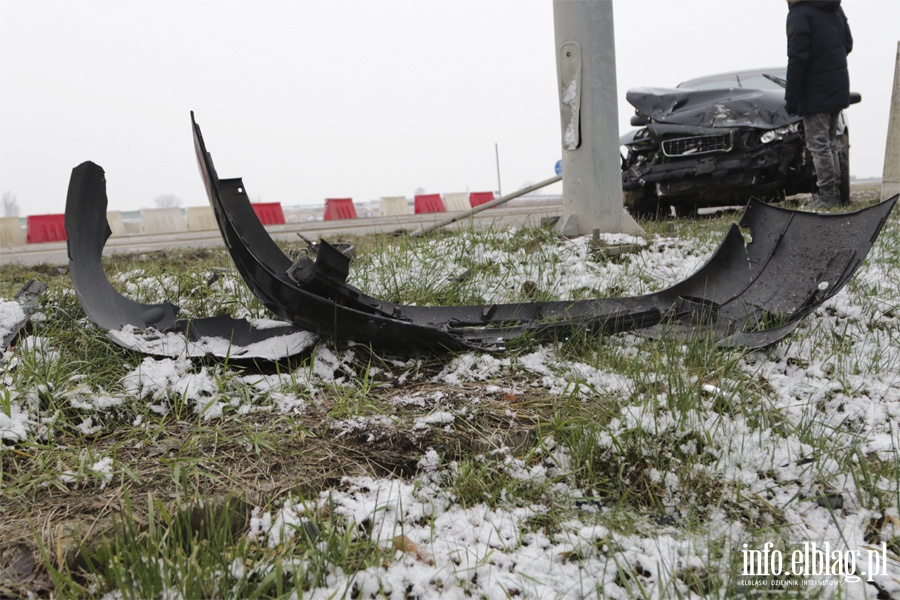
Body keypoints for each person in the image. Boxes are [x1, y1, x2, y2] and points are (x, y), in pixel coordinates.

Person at [784, 0, 853, 209]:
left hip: (815, 90)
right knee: (830, 142)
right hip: (837, 85)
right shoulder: (833, 8)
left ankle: (827, 196)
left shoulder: (799, 14)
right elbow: (848, 43)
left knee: (819, 144)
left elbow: (797, 58)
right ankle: (834, 195)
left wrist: (792, 97)